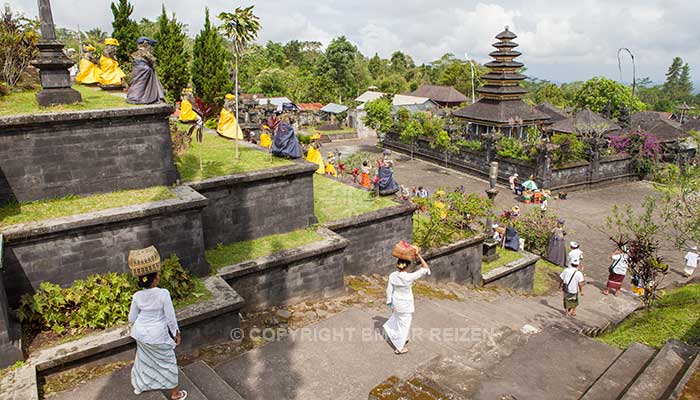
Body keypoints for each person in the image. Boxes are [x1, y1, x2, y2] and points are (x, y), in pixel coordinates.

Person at [127, 246, 187, 400]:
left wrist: (137, 329)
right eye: (158, 275)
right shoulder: (163, 294)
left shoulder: (137, 296)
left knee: (143, 359)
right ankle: (175, 394)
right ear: (155, 279)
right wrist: (176, 333)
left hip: (140, 333)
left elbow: (132, 318)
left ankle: (140, 386)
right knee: (167, 361)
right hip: (157, 334)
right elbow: (170, 317)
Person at [383, 251, 431, 355]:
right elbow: (426, 269)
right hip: (406, 304)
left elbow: (389, 290)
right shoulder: (409, 277)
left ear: (397, 265)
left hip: (396, 302)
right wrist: (418, 255)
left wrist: (389, 301)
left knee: (398, 320)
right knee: (404, 324)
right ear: (407, 266)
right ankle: (399, 348)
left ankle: (399, 336)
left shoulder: (392, 275)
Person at [127, 37, 165, 104]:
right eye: (150, 45)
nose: (150, 47)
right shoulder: (144, 52)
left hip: (137, 69)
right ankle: (138, 98)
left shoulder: (136, 53)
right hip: (144, 70)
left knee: (137, 83)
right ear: (146, 44)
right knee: (141, 85)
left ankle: (133, 97)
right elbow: (152, 60)